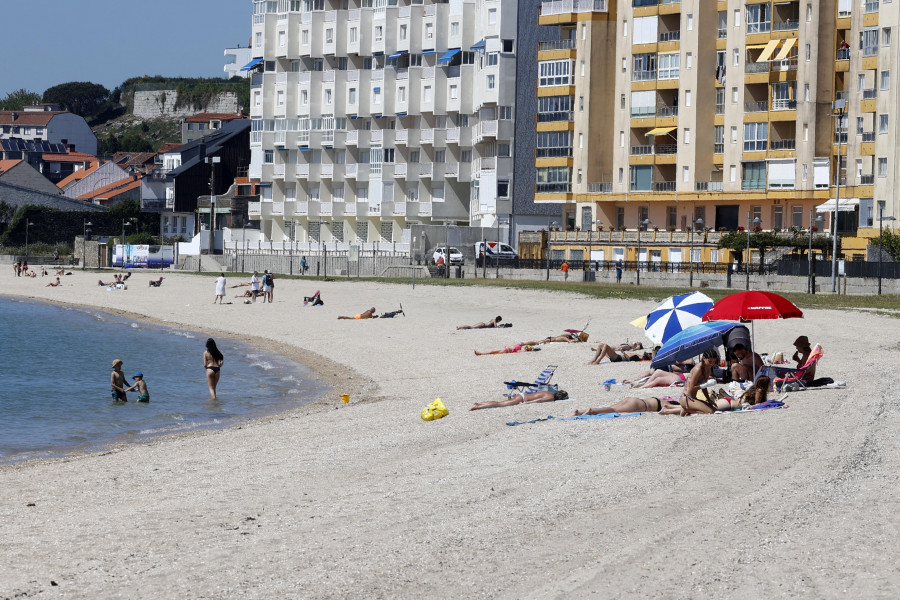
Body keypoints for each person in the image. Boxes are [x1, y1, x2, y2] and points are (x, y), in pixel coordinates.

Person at [470, 389, 569, 411]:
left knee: (499, 402)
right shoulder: (551, 398)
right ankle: (478, 407)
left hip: (522, 394)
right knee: (499, 404)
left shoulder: (550, 392)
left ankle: (480, 404)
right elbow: (539, 400)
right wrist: (527, 403)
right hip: (523, 398)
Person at [588, 343, 654, 365]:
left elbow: (629, 359)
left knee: (605, 346)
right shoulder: (640, 356)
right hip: (617, 357)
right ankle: (593, 360)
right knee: (601, 345)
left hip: (618, 358)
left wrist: (623, 352)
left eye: (649, 354)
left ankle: (597, 361)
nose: (647, 353)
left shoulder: (639, 358)